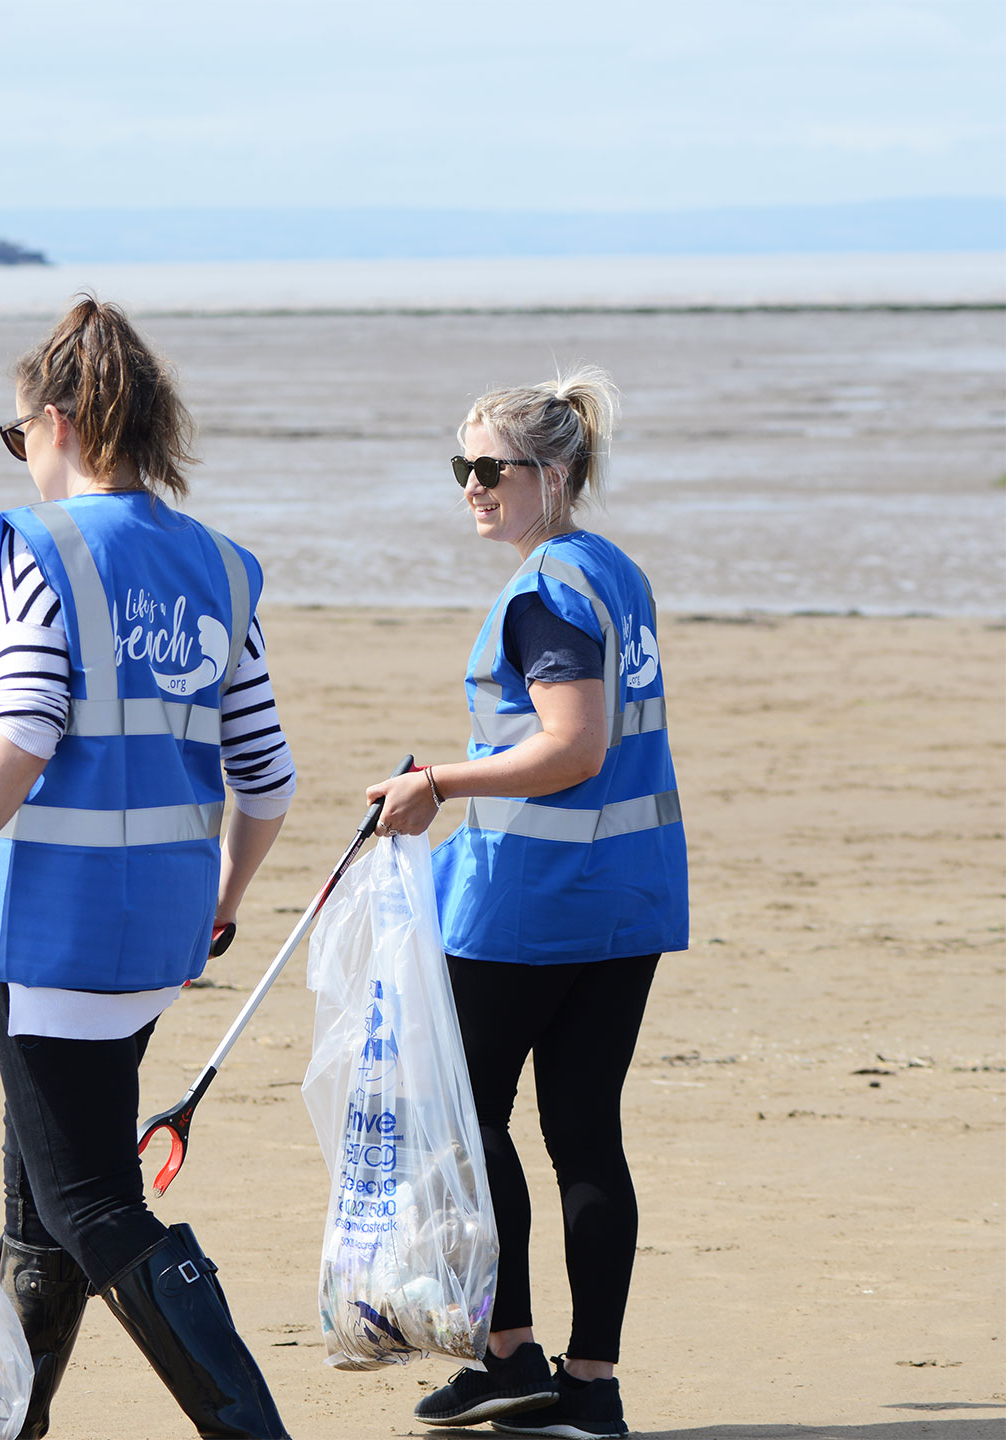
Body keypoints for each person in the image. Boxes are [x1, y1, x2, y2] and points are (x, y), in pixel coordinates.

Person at [0, 296, 297, 1440]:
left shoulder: (45, 552)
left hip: (46, 927)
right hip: (159, 932)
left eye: (19, 437)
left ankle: (250, 1427)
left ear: (59, 423)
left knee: (87, 1197)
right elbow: (264, 776)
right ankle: (12, 1424)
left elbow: (22, 731)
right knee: (40, 1194)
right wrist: (220, 900)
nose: (21, 461)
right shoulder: (219, 567)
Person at [367, 368, 684, 1440]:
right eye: (459, 467)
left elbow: (572, 744)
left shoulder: (548, 583)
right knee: (582, 1134)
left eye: (489, 468)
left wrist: (437, 784)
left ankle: (510, 1355)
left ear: (554, 474)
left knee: (462, 1124)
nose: (470, 486)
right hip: (624, 899)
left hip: (530, 910)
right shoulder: (611, 570)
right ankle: (586, 1386)